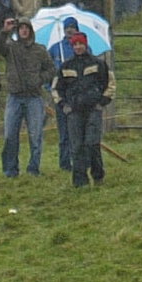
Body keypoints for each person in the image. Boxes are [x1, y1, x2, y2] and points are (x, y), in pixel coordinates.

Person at [0, 18, 54, 178]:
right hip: (14, 96)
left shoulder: (40, 50)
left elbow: (51, 69)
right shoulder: (11, 48)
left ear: (30, 30)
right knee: (10, 135)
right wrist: (5, 31)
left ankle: (33, 168)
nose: (23, 31)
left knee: (35, 135)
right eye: (21, 28)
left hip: (34, 98)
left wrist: (39, 78)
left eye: (26, 28)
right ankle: (10, 170)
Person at [54, 30, 110, 187]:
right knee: (76, 146)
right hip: (74, 112)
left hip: (93, 109)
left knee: (92, 143)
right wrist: (64, 105)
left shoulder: (98, 64)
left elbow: (109, 84)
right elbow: (56, 89)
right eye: (75, 44)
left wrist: (102, 102)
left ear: (86, 45)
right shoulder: (65, 66)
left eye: (81, 44)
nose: (78, 47)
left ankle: (98, 176)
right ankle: (80, 182)